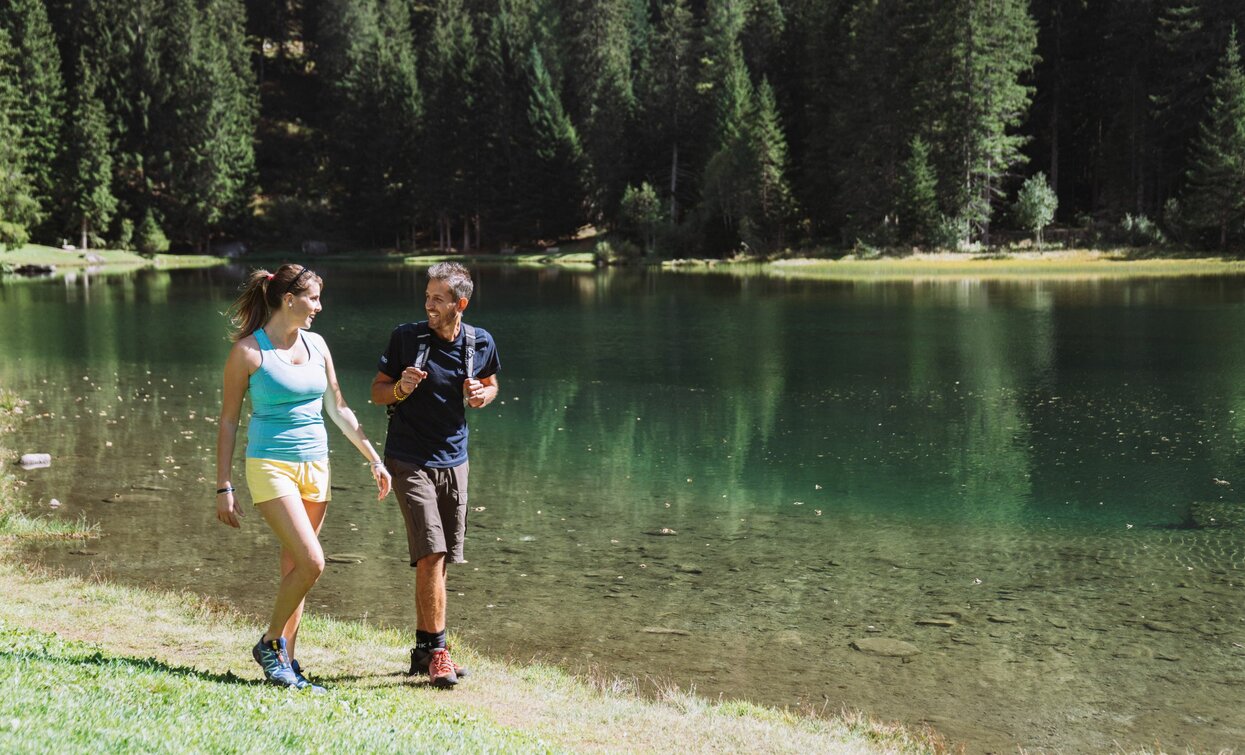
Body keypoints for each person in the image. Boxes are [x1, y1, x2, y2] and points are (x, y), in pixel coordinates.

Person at [215, 264, 391, 691]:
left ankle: (286, 666)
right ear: (288, 299)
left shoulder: (318, 345)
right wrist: (224, 485)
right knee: (313, 561)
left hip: (317, 466)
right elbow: (228, 422)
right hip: (271, 466)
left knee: (297, 568)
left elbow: (340, 409)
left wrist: (374, 458)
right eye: (313, 298)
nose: (319, 306)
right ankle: (269, 643)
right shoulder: (248, 353)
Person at [371, 261, 500, 688]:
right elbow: (377, 392)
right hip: (408, 457)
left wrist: (482, 395)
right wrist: (401, 389)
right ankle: (441, 652)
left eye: (438, 299)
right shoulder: (407, 338)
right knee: (431, 553)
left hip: (455, 459)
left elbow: (491, 382)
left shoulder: (479, 341)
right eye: (427, 296)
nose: (429, 304)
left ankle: (423, 650)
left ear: (460, 303)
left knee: (441, 560)